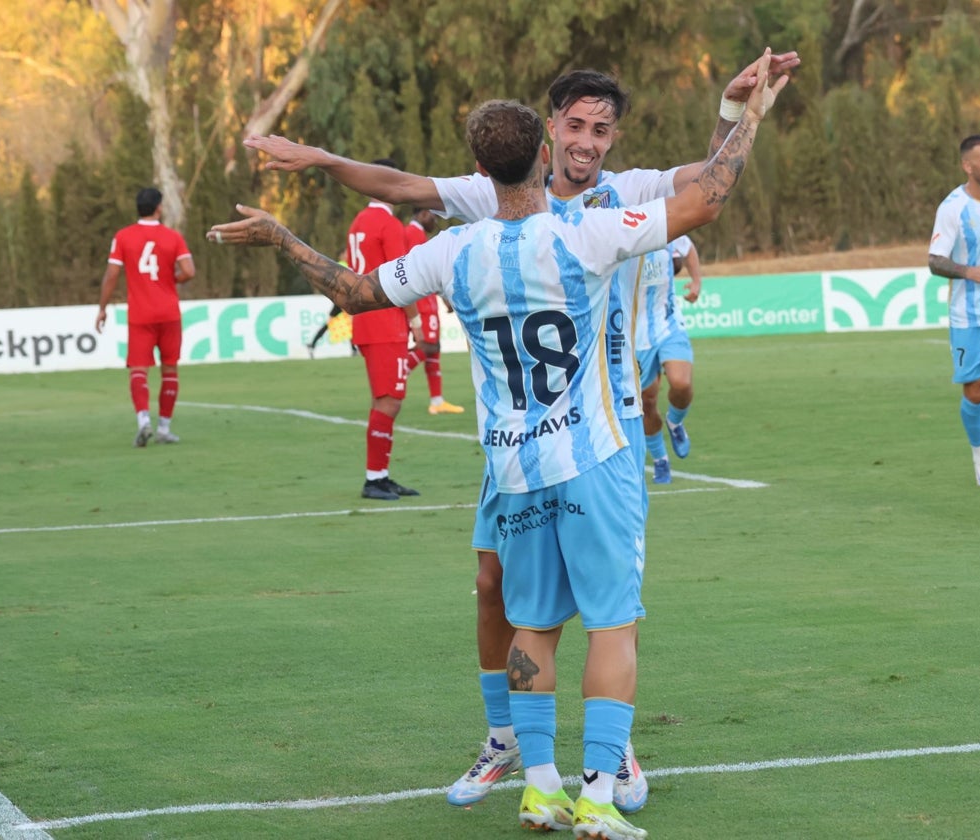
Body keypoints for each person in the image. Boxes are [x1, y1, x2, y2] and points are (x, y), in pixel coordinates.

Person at [210, 62, 783, 836]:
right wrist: (755, 113)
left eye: (599, 129)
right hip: (591, 451)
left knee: (535, 625)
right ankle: (593, 787)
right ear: (545, 147)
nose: (584, 142)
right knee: (606, 618)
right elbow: (708, 195)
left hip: (518, 460)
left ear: (483, 168)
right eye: (572, 127)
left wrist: (281, 232)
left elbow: (351, 290)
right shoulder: (588, 234)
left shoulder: (457, 248)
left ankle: (549, 781)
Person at [928, 134, 980, 487]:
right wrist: (968, 271)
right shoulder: (953, 209)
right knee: (975, 391)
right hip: (969, 319)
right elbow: (934, 260)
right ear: (968, 166)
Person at [344, 159, 426, 501]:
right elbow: (401, 279)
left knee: (384, 399)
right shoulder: (388, 225)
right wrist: (416, 321)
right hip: (385, 323)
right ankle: (374, 479)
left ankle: (379, 475)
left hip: (365, 322)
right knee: (389, 400)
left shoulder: (358, 223)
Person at [95, 187, 195, 447]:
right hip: (169, 313)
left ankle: (143, 422)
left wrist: (102, 307)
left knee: (138, 370)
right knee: (169, 369)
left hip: (140, 315)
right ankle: (164, 428)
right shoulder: (173, 237)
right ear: (158, 208)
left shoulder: (123, 237)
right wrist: (174, 279)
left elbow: (112, 275)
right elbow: (189, 271)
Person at [636, 235, 703, 484]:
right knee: (647, 401)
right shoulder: (617, 227)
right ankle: (660, 459)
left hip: (668, 322)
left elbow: (687, 247)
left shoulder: (664, 223)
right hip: (635, 333)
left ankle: (675, 422)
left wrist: (696, 281)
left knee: (681, 383)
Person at [404, 207, 465, 415]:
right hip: (422, 301)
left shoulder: (416, 233)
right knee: (427, 346)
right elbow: (422, 270)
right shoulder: (413, 234)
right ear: (421, 214)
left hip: (428, 299)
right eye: (432, 215)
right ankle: (397, 374)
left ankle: (437, 400)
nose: (434, 220)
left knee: (434, 350)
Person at [307, 248, 356, 357]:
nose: (348, 255)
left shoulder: (344, 265)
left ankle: (312, 344)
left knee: (334, 323)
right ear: (342, 255)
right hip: (343, 299)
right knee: (350, 322)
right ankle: (354, 349)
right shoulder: (343, 265)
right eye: (346, 253)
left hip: (340, 299)